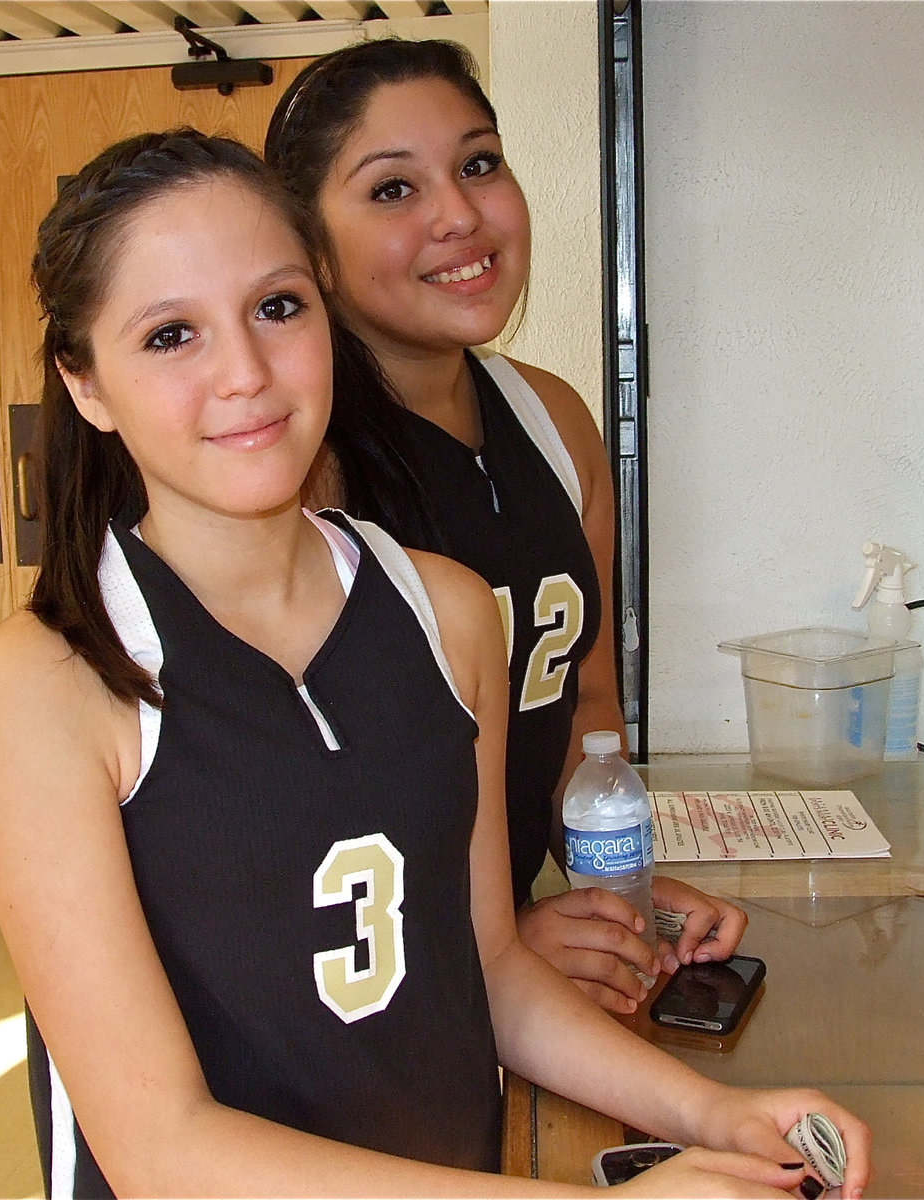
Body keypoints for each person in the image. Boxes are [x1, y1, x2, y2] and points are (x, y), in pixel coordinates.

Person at [0, 128, 870, 1199]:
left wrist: (714, 1111)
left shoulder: (444, 613)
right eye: (170, 336)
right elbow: (162, 1150)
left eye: (277, 307)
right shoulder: (50, 686)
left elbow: (488, 969)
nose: (245, 374)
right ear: (86, 384)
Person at [265, 37, 747, 1015]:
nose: (458, 214)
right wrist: (489, 938)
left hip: (494, 980)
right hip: (352, 995)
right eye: (392, 190)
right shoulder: (294, 469)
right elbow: (282, 818)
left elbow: (585, 704)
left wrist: (616, 894)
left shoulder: (554, 423)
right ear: (309, 247)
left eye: (478, 163)